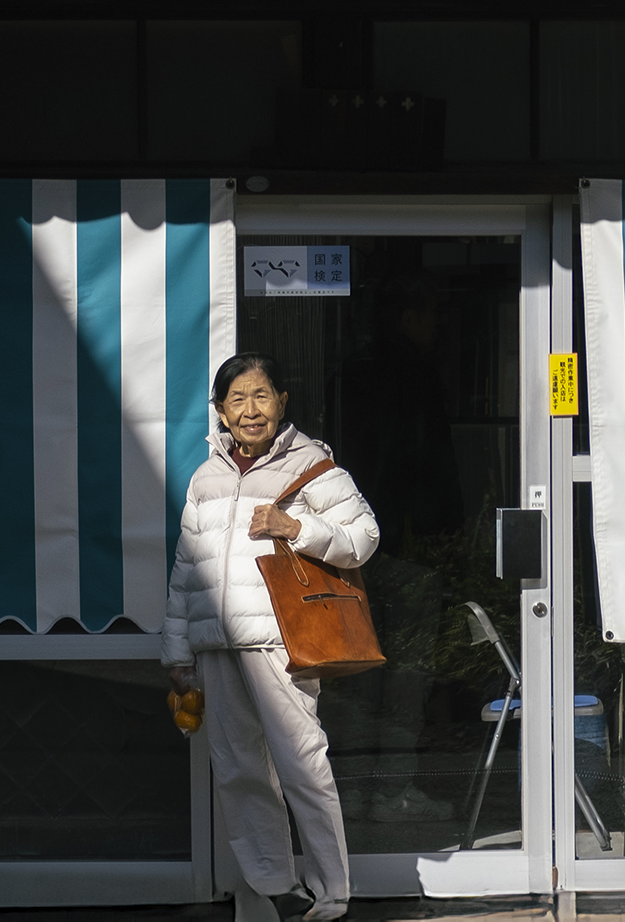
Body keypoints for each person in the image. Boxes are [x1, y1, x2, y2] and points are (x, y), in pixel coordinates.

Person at [164, 354, 380, 922]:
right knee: (238, 770)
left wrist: (296, 527)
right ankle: (276, 889)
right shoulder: (206, 476)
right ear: (220, 411)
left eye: (261, 396)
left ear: (282, 401)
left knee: (302, 763)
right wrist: (178, 652)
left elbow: (364, 538)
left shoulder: (313, 465)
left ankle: (332, 893)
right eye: (237, 400)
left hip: (282, 641)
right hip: (217, 645)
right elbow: (186, 571)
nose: (250, 410)